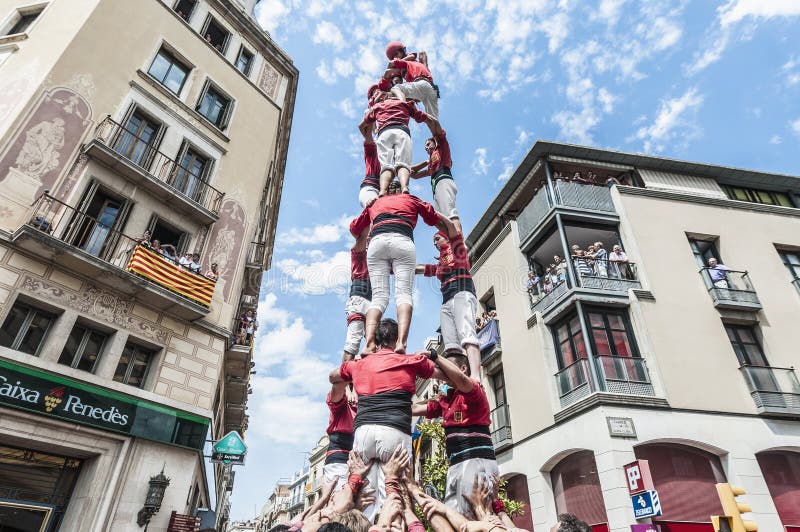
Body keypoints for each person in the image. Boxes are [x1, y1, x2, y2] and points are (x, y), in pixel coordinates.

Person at [328, 319, 439, 521]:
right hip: (395, 432)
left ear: (376, 340)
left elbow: (333, 376)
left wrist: (353, 373)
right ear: (398, 339)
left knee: (363, 501)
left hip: (364, 433)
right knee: (397, 498)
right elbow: (446, 375)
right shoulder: (411, 360)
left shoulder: (359, 364)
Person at [349, 181, 456, 354]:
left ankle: (369, 345)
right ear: (402, 190)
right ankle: (401, 343)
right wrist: (450, 233)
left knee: (379, 298)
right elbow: (432, 216)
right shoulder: (410, 198)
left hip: (377, 242)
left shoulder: (376, 202)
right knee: (404, 294)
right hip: (402, 239)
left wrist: (373, 213)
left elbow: (354, 228)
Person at [412, 351, 499, 518]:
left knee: (476, 516)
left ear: (463, 368)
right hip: (456, 464)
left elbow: (460, 379)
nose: (443, 378)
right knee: (456, 517)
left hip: (475, 461)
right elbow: (415, 409)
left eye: (445, 373)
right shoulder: (446, 399)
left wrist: (434, 356)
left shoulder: (474, 389)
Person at [417, 231, 482, 379]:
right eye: (433, 240)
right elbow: (423, 269)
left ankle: (476, 377)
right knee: (451, 345)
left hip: (462, 292)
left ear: (446, 237)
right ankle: (456, 377)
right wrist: (395, 267)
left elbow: (455, 230)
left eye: (437, 239)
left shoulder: (458, 250)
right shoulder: (440, 264)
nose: (434, 243)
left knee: (467, 335)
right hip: (446, 299)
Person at [358, 88, 431, 196]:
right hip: (401, 131)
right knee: (403, 165)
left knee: (386, 167)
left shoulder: (378, 106)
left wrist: (369, 134)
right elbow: (400, 94)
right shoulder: (402, 102)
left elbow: (361, 126)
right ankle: (405, 187)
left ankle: (382, 191)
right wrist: (395, 89)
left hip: (383, 133)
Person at [409, 119, 461, 233]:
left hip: (443, 180)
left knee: (449, 211)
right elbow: (413, 175)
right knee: (441, 217)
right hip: (436, 186)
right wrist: (424, 163)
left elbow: (439, 135)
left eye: (428, 144)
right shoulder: (431, 165)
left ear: (434, 143)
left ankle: (459, 237)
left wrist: (428, 120)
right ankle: (450, 242)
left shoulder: (441, 149)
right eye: (425, 147)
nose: (427, 148)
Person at [384, 41, 439, 120]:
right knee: (433, 120)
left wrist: (389, 74)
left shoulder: (408, 61)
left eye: (396, 54)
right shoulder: (408, 68)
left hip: (422, 83)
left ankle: (401, 107)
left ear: (402, 51)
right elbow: (397, 80)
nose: (396, 58)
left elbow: (392, 64)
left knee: (395, 89)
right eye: (393, 57)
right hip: (431, 90)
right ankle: (438, 132)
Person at [324, 379, 358, 493]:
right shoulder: (340, 397)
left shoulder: (366, 396)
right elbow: (336, 385)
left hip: (360, 455)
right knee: (339, 501)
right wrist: (346, 386)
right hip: (340, 454)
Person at [343, 232, 371, 361]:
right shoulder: (359, 253)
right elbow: (362, 238)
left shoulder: (380, 260)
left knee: (375, 345)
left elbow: (411, 268)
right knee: (353, 344)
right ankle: (343, 378)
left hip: (374, 303)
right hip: (359, 300)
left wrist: (434, 269)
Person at [358, 134, 380, 208]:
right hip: (370, 189)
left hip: (382, 193)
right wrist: (371, 122)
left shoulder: (390, 160)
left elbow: (409, 170)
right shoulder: (372, 149)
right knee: (374, 206)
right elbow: (368, 136)